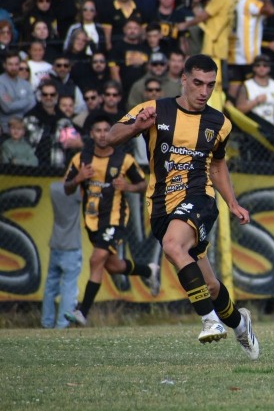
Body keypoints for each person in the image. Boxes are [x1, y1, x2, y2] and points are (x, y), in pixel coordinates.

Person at [107, 54, 259, 359]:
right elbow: (111, 137)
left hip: (199, 198)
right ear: (185, 80)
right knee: (212, 286)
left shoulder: (219, 123)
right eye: (199, 84)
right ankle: (240, 324)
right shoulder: (155, 110)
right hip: (161, 206)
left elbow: (217, 165)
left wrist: (232, 202)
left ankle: (209, 321)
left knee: (173, 246)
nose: (204, 91)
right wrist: (137, 126)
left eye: (211, 85)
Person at [63, 114, 160, 327]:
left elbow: (143, 185)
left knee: (96, 259)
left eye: (106, 130)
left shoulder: (124, 160)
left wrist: (128, 187)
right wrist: (78, 179)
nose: (102, 134)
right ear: (91, 134)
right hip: (92, 221)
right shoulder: (81, 159)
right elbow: (67, 187)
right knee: (113, 266)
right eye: (98, 130)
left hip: (115, 218)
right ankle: (149, 270)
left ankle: (82, 312)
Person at [40, 180, 82, 329]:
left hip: (56, 243)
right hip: (71, 245)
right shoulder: (77, 192)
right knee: (69, 287)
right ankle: (62, 325)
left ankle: (46, 322)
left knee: (50, 287)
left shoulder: (54, 188)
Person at [235, 55, 274, 134]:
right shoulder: (247, 85)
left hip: (270, 128)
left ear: (269, 68)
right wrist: (256, 101)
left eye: (265, 65)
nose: (261, 68)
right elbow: (239, 109)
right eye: (258, 65)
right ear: (254, 68)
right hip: (253, 128)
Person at [0, 52, 37, 133]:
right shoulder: (1, 82)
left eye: (16, 64)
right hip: (6, 128)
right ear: (4, 65)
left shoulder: (25, 83)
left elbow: (33, 104)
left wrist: (15, 103)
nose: (14, 67)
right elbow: (7, 108)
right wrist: (26, 100)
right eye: (10, 64)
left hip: (25, 126)